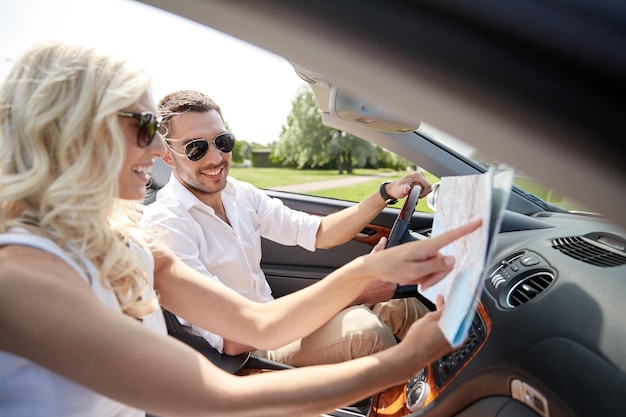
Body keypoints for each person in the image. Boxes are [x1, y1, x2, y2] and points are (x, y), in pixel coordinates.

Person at [0, 41, 481, 417]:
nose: (155, 153)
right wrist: (399, 360)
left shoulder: (130, 245)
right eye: (144, 127)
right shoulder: (21, 280)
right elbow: (218, 396)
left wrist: (365, 272)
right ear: (73, 130)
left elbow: (260, 321)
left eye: (222, 141)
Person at [143, 89, 435, 366]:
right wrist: (357, 287)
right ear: (168, 156)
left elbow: (319, 232)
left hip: (276, 320)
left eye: (222, 141)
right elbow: (234, 338)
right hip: (249, 348)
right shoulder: (166, 224)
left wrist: (384, 194)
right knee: (364, 330)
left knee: (402, 305)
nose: (216, 158)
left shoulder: (240, 194)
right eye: (196, 148)